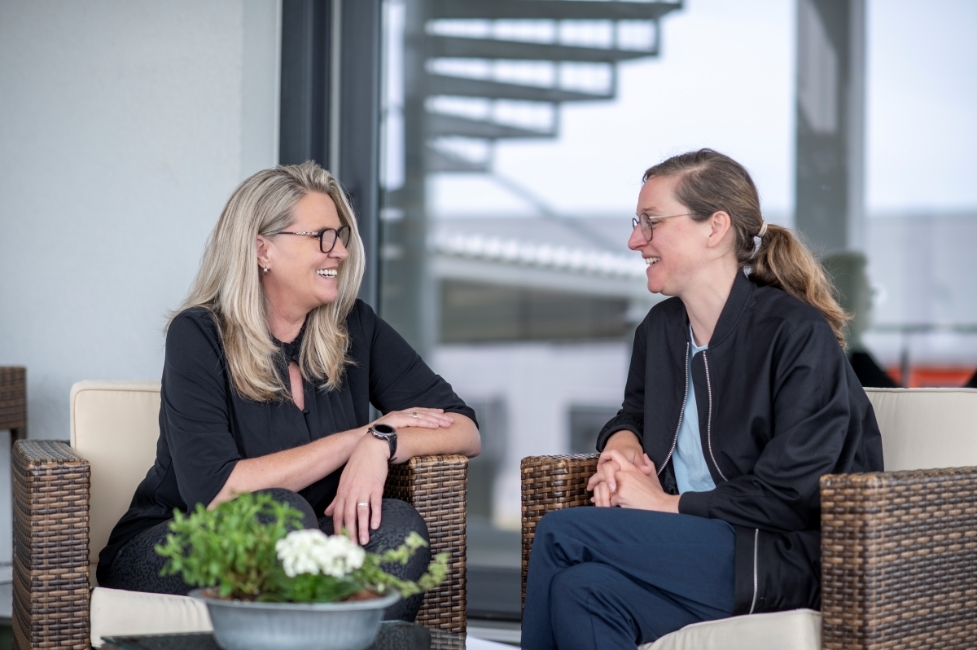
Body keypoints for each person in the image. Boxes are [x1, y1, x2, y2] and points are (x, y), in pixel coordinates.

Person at [521, 149, 883, 649]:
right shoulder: (662, 329)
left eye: (651, 222)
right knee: (581, 591)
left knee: (562, 534)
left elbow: (790, 493)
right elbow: (634, 413)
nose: (634, 240)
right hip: (699, 552)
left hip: (779, 557)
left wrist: (665, 504)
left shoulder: (794, 332)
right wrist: (621, 446)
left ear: (715, 228)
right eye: (636, 222)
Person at [97, 162, 480, 621]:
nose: (338, 251)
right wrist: (357, 438)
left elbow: (465, 427)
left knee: (397, 528)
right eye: (321, 236)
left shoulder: (355, 327)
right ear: (263, 249)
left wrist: (383, 444)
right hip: (176, 543)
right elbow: (220, 492)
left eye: (340, 236)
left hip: (310, 540)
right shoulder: (198, 335)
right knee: (274, 516)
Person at [821, 251, 897, 388]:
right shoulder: (831, 359)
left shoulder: (855, 355)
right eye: (865, 292)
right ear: (841, 298)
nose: (870, 303)